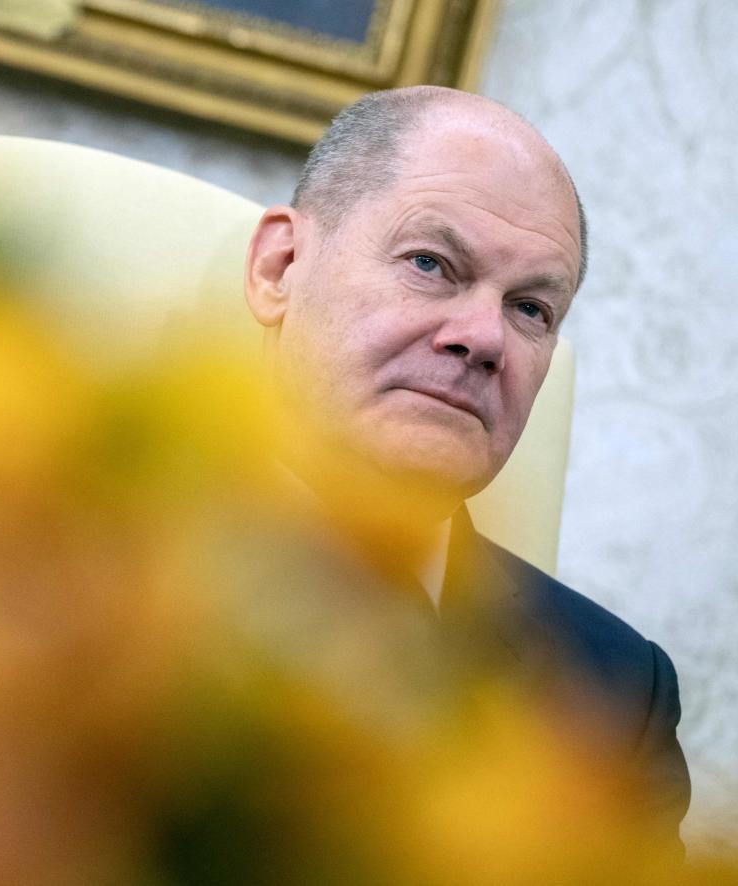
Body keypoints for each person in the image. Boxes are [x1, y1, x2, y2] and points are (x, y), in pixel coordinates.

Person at [242, 86, 691, 854]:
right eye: (431, 264)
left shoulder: (616, 690)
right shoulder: (56, 563)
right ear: (281, 265)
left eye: (531, 310)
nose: (484, 337)